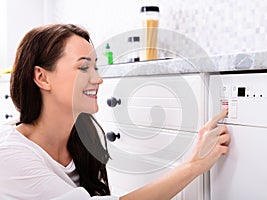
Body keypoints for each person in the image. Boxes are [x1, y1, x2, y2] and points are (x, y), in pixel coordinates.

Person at [0, 24, 230, 200]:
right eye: (83, 67)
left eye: (96, 67)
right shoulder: (9, 156)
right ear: (42, 77)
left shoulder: (85, 137)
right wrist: (193, 166)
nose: (98, 79)